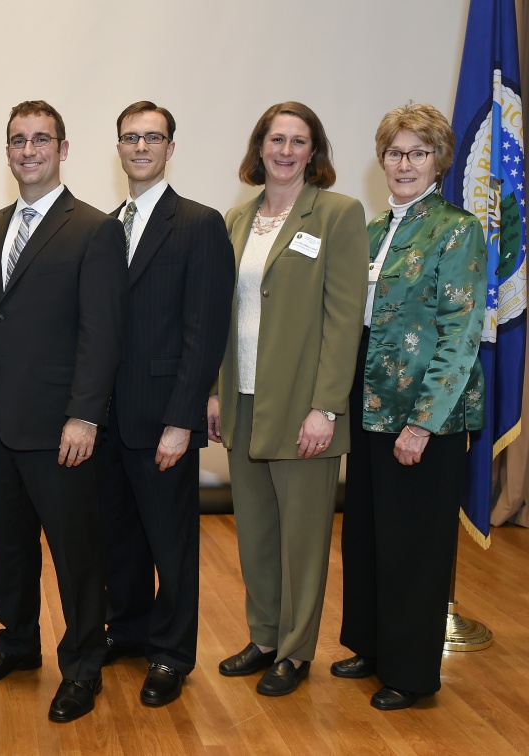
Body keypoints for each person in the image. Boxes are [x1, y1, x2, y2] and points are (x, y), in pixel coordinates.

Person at [0, 101, 126, 723]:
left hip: (62, 428)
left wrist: (85, 415)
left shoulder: (94, 227)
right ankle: (18, 644)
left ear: (62, 148)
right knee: (7, 546)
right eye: (17, 142)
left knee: (76, 552)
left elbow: (102, 333)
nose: (28, 151)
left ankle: (82, 663)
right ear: (7, 152)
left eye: (40, 140)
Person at [331, 103, 486, 711]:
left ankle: (411, 672)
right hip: (369, 405)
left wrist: (423, 421)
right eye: (395, 152)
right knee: (369, 535)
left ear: (439, 161)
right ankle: (370, 646)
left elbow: (461, 332)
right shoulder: (372, 230)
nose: (404, 163)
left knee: (414, 547)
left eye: (418, 153)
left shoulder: (457, 229)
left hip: (425, 413)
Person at [209, 101, 367, 696]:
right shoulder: (237, 218)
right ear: (259, 147)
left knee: (302, 540)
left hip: (304, 406)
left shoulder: (338, 215)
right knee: (254, 530)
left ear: (314, 153)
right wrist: (217, 392)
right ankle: (265, 635)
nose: (284, 151)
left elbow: (344, 319)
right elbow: (223, 315)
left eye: (298, 141)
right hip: (245, 401)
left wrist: (326, 407)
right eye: (275, 139)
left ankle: (297, 652)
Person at [97, 101, 235, 706]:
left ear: (171, 146)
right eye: (131, 138)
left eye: (153, 137)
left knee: (170, 543)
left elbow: (206, 331)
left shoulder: (199, 224)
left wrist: (182, 421)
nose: (141, 147)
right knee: (118, 538)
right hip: (105, 419)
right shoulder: (105, 224)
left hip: (163, 419)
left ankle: (172, 654)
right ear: (119, 147)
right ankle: (126, 631)